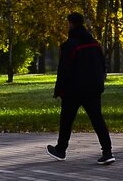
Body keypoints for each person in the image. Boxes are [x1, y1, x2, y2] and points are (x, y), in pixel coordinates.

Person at [47, 12, 114, 165]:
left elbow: (64, 69)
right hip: (93, 89)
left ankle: (61, 150)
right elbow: (102, 65)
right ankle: (107, 151)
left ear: (70, 24)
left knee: (66, 120)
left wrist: (59, 90)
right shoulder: (94, 43)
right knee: (97, 119)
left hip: (74, 90)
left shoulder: (69, 45)